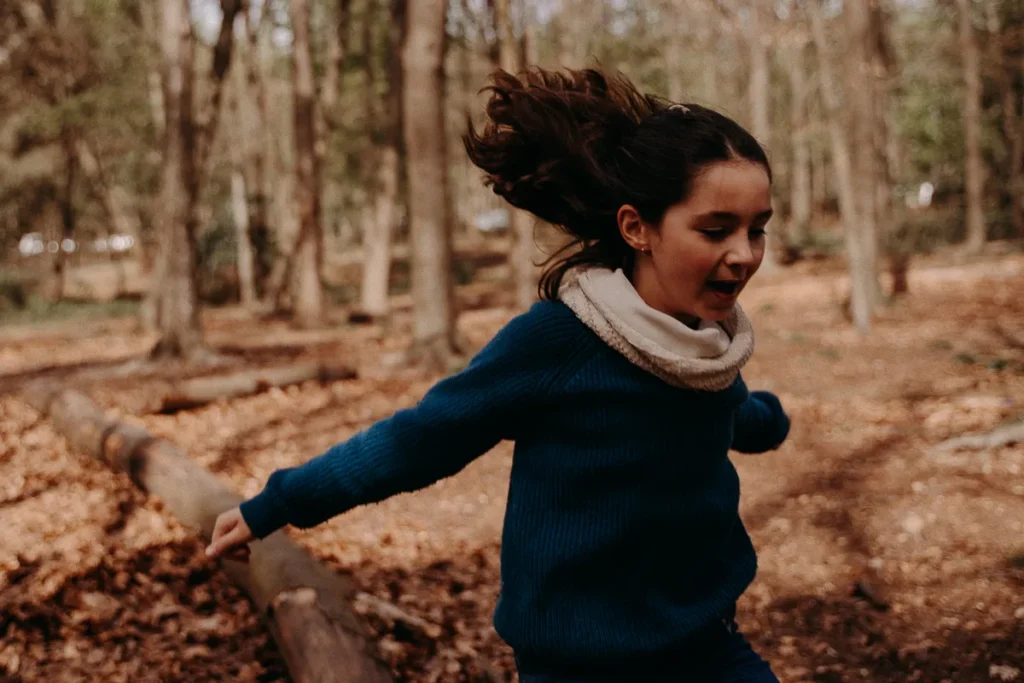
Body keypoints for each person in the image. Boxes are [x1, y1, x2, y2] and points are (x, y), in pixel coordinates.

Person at [206, 67, 790, 683]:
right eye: (716, 229)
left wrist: (769, 420)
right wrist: (277, 503)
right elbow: (417, 442)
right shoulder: (561, 343)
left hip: (706, 645)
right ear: (636, 227)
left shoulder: (708, 347)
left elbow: (726, 412)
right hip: (581, 665)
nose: (745, 254)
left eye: (758, 230)